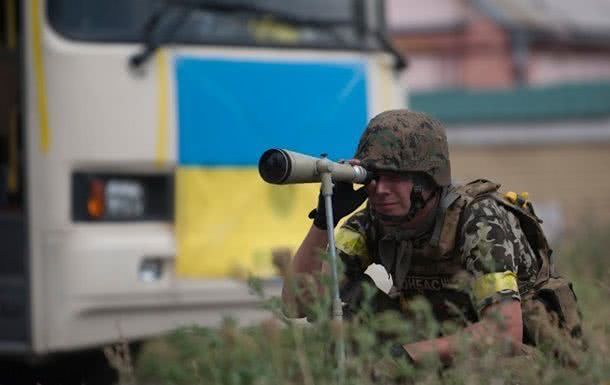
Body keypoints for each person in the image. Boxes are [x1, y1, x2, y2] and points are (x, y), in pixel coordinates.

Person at [281, 109, 584, 366]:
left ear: (430, 179)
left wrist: (407, 357)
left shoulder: (478, 220)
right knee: (347, 302)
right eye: (374, 176)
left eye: (395, 176)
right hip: (439, 344)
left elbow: (505, 333)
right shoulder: (373, 221)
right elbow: (299, 304)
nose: (381, 189)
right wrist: (324, 220)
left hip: (524, 359)